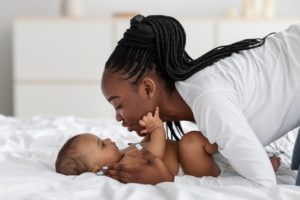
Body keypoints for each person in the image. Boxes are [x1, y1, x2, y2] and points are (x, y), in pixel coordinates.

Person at [100, 14, 300, 186]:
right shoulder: (200, 93)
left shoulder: (208, 99)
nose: (118, 118)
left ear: (147, 88)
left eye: (119, 105)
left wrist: (169, 180)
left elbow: (264, 183)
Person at [55, 107, 281, 178]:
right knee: (191, 141)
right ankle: (244, 158)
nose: (106, 139)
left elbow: (145, 146)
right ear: (97, 168)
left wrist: (145, 135)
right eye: (101, 145)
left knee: (200, 138)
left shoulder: (125, 153)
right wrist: (156, 129)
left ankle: (248, 154)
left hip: (197, 159)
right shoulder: (126, 166)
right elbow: (155, 152)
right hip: (192, 166)